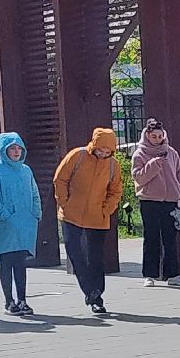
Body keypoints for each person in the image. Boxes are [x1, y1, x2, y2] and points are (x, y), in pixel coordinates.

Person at [53, 127, 124, 315]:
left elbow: (116, 191)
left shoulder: (113, 166)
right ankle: (89, 291)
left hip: (97, 217)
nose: (103, 154)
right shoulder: (77, 156)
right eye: (101, 150)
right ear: (94, 145)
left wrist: (106, 210)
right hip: (71, 215)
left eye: (108, 152)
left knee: (95, 258)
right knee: (75, 253)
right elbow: (60, 180)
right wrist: (65, 203)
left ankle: (97, 296)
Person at [0, 132, 42, 316]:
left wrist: (36, 212)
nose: (16, 152)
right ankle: (9, 301)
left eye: (19, 148)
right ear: (4, 150)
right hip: (5, 225)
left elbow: (34, 192)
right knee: (7, 263)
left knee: (20, 263)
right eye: (12, 148)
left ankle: (23, 299)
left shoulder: (26, 170)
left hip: (25, 223)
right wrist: (6, 216)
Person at [133, 119, 180, 287]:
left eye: (160, 136)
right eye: (154, 136)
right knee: (151, 238)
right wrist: (153, 165)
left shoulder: (171, 152)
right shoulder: (140, 154)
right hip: (149, 201)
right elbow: (138, 177)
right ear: (147, 136)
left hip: (170, 200)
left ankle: (173, 274)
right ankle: (149, 275)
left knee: (170, 238)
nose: (157, 139)